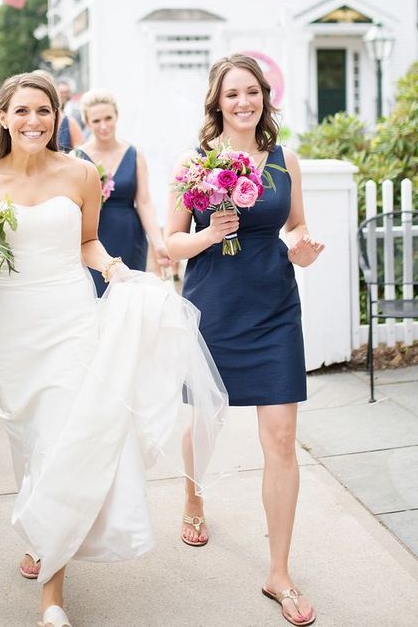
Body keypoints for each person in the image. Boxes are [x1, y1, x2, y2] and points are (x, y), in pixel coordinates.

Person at [0, 71, 226, 627]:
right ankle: (40, 526)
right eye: (21, 111)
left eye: (43, 111)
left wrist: (118, 269)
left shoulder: (80, 173)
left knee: (59, 439)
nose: (33, 121)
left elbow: (87, 243)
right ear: (3, 116)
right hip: (9, 326)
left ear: (57, 116)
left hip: (70, 318)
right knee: (27, 439)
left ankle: (52, 596)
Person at [165, 54, 324, 627]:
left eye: (251, 91)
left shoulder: (285, 161)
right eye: (232, 93)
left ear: (264, 97)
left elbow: (294, 225)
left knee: (280, 438)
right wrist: (209, 233)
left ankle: (278, 571)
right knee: (204, 421)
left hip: (276, 309)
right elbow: (169, 243)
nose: (243, 102)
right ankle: (192, 497)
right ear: (218, 102)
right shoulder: (194, 163)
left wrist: (304, 244)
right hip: (215, 309)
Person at [76, 89, 170, 296]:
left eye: (108, 118)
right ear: (87, 122)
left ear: (116, 116)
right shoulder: (78, 158)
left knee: (129, 299)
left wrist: (158, 242)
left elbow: (144, 202)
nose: (103, 125)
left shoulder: (134, 154)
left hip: (130, 236)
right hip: (93, 239)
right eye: (96, 120)